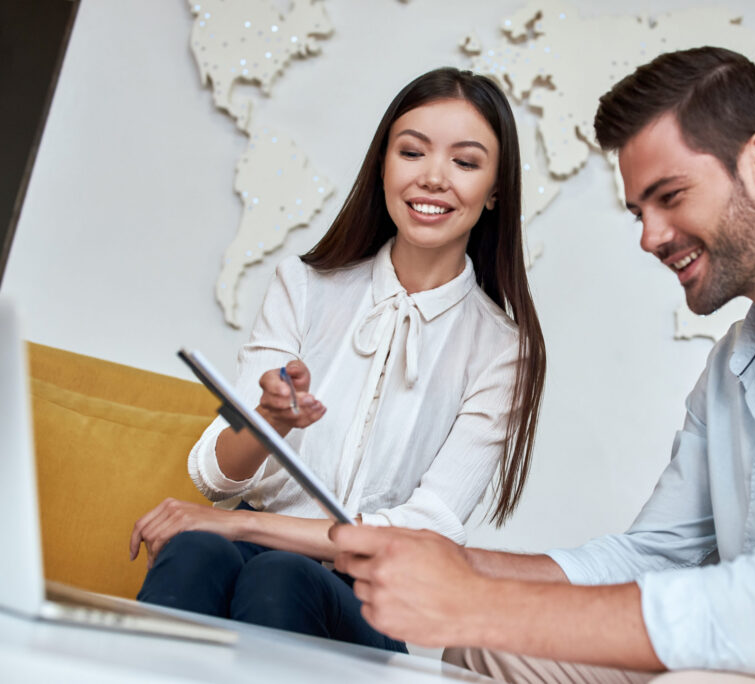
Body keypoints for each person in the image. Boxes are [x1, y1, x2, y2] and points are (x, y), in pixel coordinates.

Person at [326, 47, 755, 682]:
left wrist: (472, 602)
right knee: (497, 649)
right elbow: (649, 559)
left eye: (670, 196)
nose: (650, 236)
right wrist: (450, 567)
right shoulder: (733, 369)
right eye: (638, 211)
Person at [128, 67, 546, 653]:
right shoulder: (302, 286)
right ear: (383, 165)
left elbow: (429, 528)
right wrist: (269, 421)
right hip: (247, 542)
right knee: (195, 550)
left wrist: (243, 524)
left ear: (496, 190)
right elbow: (214, 477)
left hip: (372, 593)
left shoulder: (504, 351)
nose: (432, 178)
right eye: (412, 152)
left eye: (465, 162)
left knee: (279, 573)